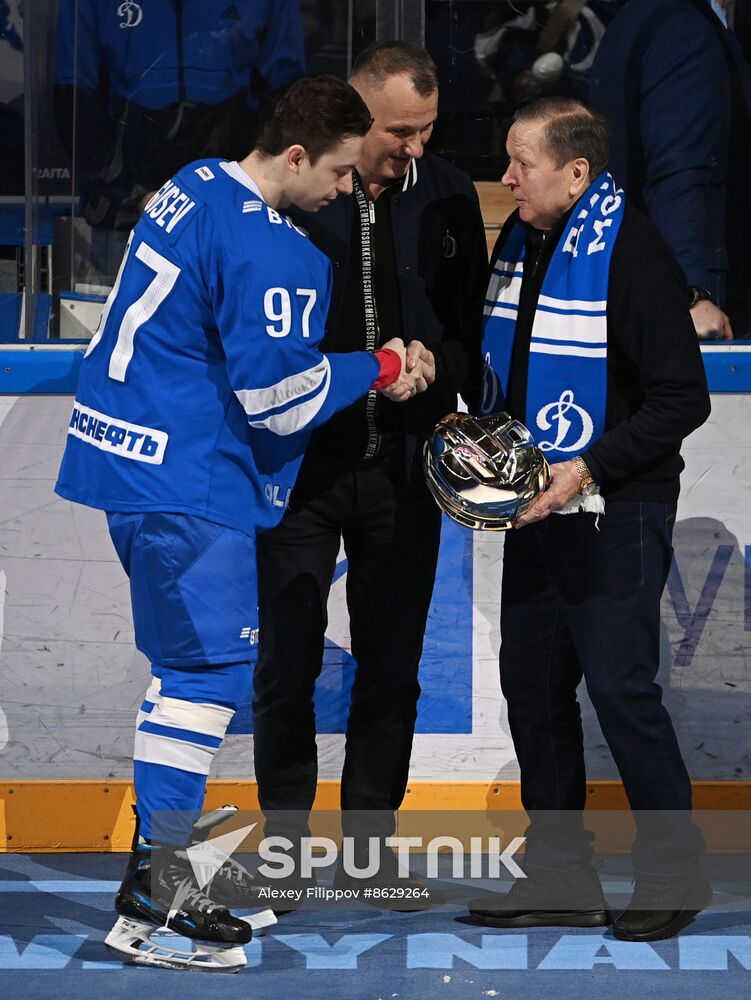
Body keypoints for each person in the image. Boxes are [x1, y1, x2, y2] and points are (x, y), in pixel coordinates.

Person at [54, 75, 421, 971]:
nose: (345, 192)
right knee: (204, 674)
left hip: (131, 460)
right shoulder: (278, 251)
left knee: (186, 674)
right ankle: (156, 899)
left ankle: (155, 881)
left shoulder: (193, 181)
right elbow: (278, 401)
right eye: (337, 173)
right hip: (189, 479)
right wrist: (376, 366)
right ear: (297, 155)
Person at [468, 97, 712, 942]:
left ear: (575, 174)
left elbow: (684, 398)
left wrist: (586, 468)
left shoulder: (632, 251)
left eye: (520, 165)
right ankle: (561, 876)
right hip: (538, 506)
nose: (505, 179)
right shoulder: (519, 242)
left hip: (618, 509)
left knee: (618, 689)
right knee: (531, 690)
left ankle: (674, 873)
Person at [252, 41, 487, 896]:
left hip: (405, 472)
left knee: (391, 664)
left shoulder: (453, 195)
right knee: (287, 659)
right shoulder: (299, 192)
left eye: (426, 131)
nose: (413, 149)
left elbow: (469, 329)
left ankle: (368, 848)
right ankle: (283, 844)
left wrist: (440, 370)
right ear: (354, 114)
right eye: (397, 131)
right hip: (302, 472)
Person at [54, 0, 306, 281]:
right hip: (130, 220)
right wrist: (129, 198)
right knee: (127, 320)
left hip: (231, 221)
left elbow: (286, 96)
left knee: (233, 321)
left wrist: (244, 197)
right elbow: (74, 100)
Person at [588, 0, 751, 340]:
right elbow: (680, 167)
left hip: (639, 275)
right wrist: (692, 292)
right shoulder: (684, 30)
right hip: (693, 294)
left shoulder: (636, 17)